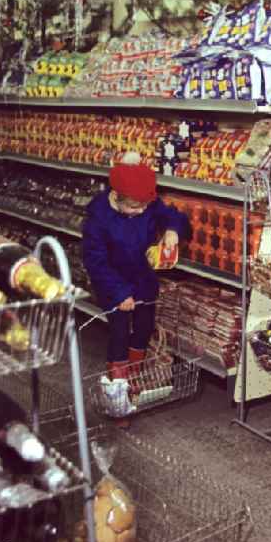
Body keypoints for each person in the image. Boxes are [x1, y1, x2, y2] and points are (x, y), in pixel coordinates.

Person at [82, 153, 190, 385]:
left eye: (144, 206)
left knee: (144, 329)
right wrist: (119, 293)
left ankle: (135, 379)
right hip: (113, 282)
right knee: (119, 335)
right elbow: (95, 261)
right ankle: (118, 389)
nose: (140, 211)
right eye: (133, 207)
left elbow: (174, 216)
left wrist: (172, 229)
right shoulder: (98, 219)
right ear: (115, 197)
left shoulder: (146, 204)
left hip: (143, 278)